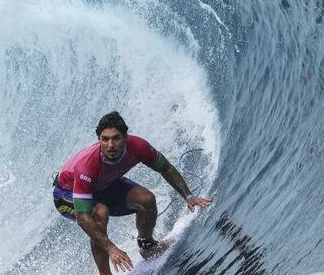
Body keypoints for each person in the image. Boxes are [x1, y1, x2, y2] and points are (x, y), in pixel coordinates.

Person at [53, 111, 213, 274]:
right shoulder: (87, 165)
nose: (110, 145)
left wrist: (189, 196)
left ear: (125, 137)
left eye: (116, 138)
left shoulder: (138, 147)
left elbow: (166, 168)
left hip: (103, 186)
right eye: (105, 139)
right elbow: (83, 218)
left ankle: (148, 247)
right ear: (99, 140)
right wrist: (112, 249)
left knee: (147, 199)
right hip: (65, 193)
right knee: (99, 213)